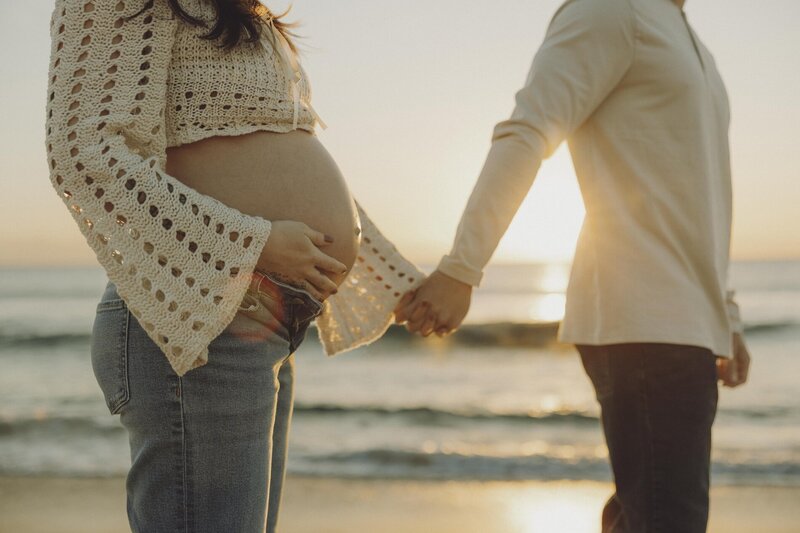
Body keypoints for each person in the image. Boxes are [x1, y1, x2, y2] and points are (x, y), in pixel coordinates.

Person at [44, 1, 423, 531]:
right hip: (196, 318)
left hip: (264, 324)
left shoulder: (247, 11)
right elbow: (85, 153)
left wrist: (393, 279)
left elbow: (273, 151)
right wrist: (255, 242)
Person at [395, 0, 751, 531]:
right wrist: (462, 266)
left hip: (688, 326)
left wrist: (725, 312)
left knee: (644, 513)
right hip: (641, 316)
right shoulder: (611, 10)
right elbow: (528, 130)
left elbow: (702, 194)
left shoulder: (687, 36)